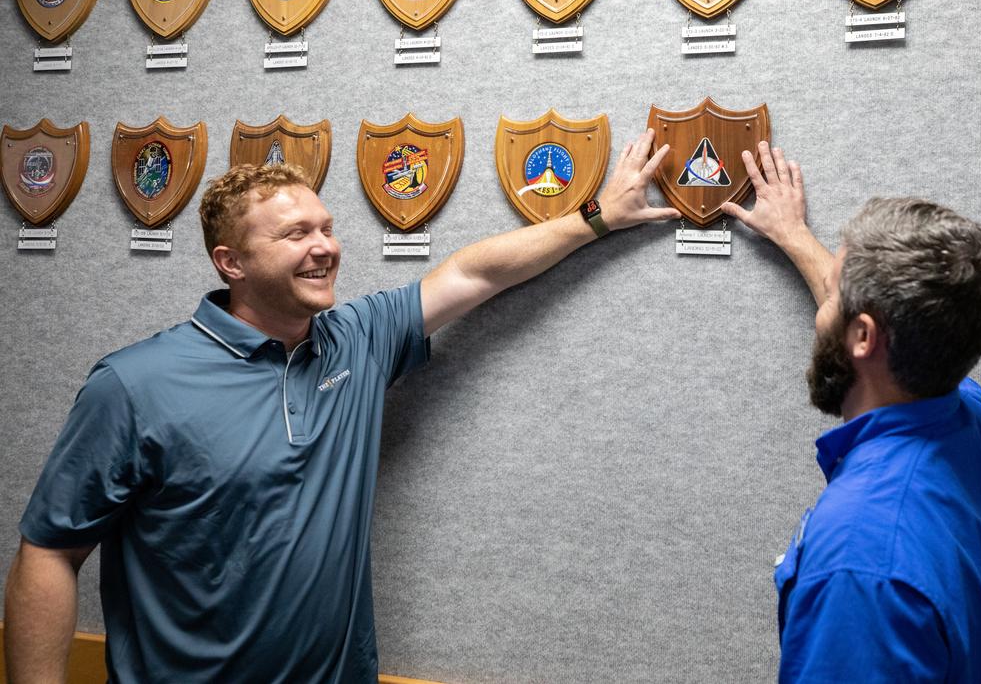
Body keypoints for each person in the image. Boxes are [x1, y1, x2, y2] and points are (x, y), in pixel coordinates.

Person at [3, 128, 681, 683]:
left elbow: (474, 272)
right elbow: (51, 551)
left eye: (325, 227)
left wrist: (595, 217)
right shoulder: (134, 384)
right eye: (296, 234)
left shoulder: (356, 338)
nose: (325, 246)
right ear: (230, 262)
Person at [723, 142, 981, 683]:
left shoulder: (862, 560)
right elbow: (882, 315)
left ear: (864, 336)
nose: (825, 301)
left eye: (832, 297)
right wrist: (795, 236)